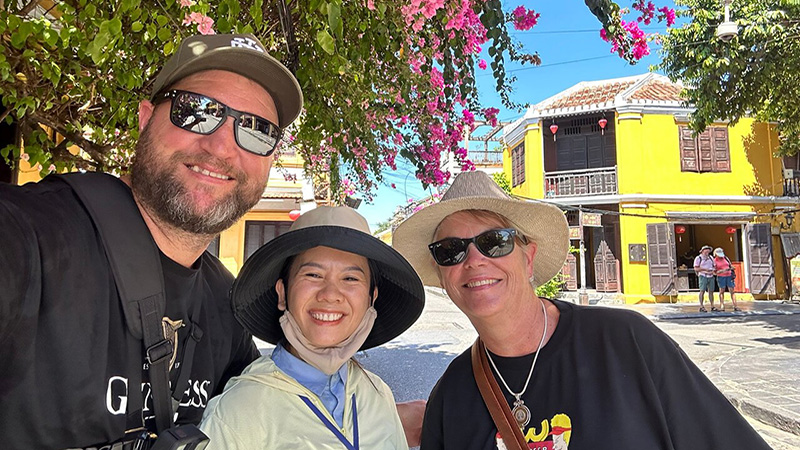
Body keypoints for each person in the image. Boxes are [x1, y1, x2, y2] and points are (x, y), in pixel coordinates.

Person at [392, 171, 770, 450]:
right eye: (451, 250)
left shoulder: (626, 342)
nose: (473, 259)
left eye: (494, 242)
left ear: (528, 258)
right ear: (442, 275)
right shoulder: (453, 392)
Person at [198, 206, 425, 448]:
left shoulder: (378, 394)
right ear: (283, 293)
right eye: (313, 275)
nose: (330, 295)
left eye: (350, 278)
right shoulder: (237, 412)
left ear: (372, 298)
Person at [714, 247, 741, 312]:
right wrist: (722, 270)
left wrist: (731, 268)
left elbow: (730, 265)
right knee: (722, 291)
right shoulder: (714, 261)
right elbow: (715, 272)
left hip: (729, 275)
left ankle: (735, 305)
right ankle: (722, 305)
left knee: (732, 291)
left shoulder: (726, 258)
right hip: (721, 276)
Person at [694, 245, 718, 312]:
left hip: (710, 276)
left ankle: (712, 305)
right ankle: (701, 306)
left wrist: (713, 270)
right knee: (702, 291)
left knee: (711, 291)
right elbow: (696, 268)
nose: (707, 251)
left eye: (708, 250)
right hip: (703, 275)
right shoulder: (698, 258)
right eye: (705, 249)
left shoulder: (710, 258)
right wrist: (705, 269)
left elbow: (714, 266)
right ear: (702, 251)